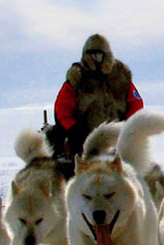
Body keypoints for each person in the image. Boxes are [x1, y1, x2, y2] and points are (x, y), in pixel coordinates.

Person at [47, 34, 144, 170]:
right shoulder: (76, 79)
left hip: (117, 137)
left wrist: (129, 125)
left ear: (107, 55)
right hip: (83, 141)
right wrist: (74, 129)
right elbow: (62, 109)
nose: (95, 59)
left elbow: (136, 103)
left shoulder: (120, 77)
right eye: (91, 54)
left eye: (98, 54)